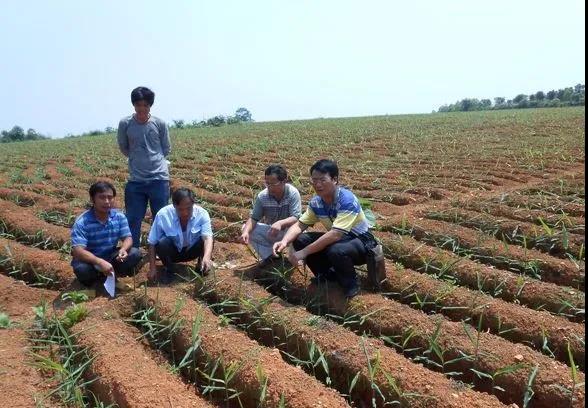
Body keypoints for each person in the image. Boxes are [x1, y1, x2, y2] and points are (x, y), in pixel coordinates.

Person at [273, 159, 374, 298]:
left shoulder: (347, 200)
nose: (318, 184)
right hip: (342, 240)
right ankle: (327, 275)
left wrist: (303, 253)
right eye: (314, 180)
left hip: (362, 243)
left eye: (322, 180)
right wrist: (284, 242)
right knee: (301, 239)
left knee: (336, 250)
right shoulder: (317, 202)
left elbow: (335, 235)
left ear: (334, 179)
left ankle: (351, 284)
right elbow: (299, 225)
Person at [117, 86, 171, 248]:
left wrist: (154, 160)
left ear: (150, 106)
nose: (142, 109)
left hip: (159, 179)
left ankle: (161, 250)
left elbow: (166, 148)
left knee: (160, 217)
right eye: (138, 105)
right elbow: (124, 147)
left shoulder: (159, 123)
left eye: (145, 105)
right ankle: (132, 251)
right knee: (133, 218)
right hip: (136, 180)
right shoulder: (125, 123)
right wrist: (137, 158)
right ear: (133, 105)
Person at [71, 181, 142, 292]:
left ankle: (112, 274)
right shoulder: (82, 222)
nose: (107, 201)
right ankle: (95, 281)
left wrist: (123, 249)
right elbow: (78, 251)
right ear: (92, 199)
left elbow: (128, 238)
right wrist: (99, 262)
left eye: (110, 197)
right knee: (82, 269)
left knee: (134, 253)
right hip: (90, 260)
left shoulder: (119, 216)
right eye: (102, 198)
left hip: (110, 256)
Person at [147, 188, 214, 284]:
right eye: (180, 209)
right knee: (161, 243)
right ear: (174, 206)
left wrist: (207, 257)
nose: (185, 213)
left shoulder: (202, 214)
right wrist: (152, 268)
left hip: (192, 251)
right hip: (173, 253)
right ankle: (169, 270)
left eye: (189, 208)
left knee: (209, 238)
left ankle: (201, 266)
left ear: (193, 204)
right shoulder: (163, 215)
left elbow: (207, 238)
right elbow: (152, 243)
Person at [240, 164, 302, 264]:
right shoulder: (262, 196)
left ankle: (294, 259)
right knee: (246, 228)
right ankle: (270, 256)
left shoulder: (292, 193)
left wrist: (280, 223)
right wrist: (245, 232)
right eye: (267, 183)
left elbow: (296, 217)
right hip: (273, 231)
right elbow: (254, 218)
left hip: (290, 232)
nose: (269, 187)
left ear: (284, 181)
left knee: (299, 237)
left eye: (273, 184)